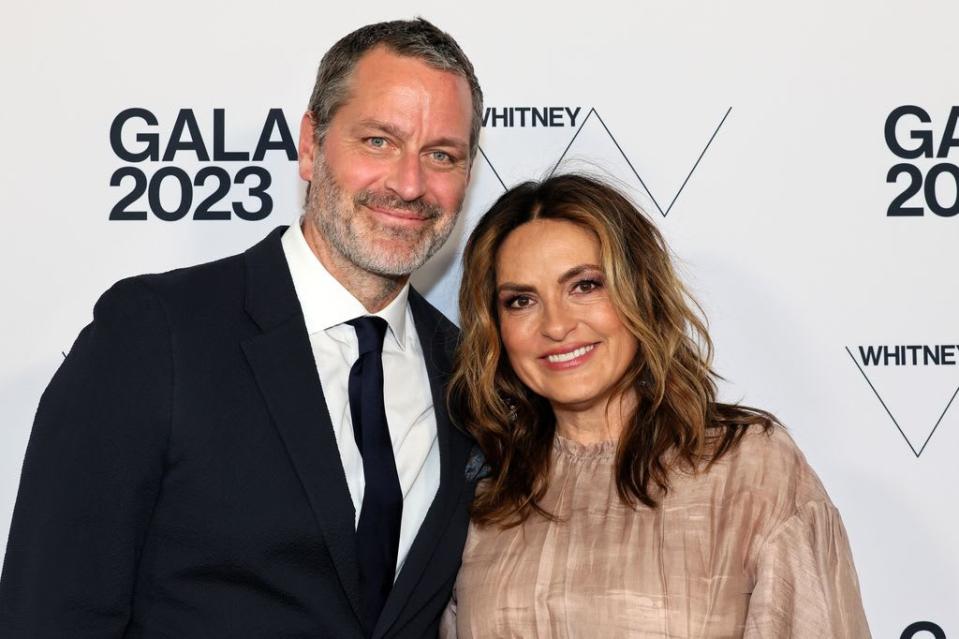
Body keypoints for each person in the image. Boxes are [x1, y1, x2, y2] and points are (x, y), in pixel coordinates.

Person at [0, 18, 482, 639]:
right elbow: (49, 611)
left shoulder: (468, 372)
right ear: (311, 145)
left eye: (441, 154)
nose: (410, 184)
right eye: (378, 141)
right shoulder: (157, 334)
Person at [441, 174, 871, 638]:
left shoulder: (750, 470)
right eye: (521, 300)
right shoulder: (482, 491)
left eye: (585, 286)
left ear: (640, 294)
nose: (557, 325)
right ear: (495, 329)